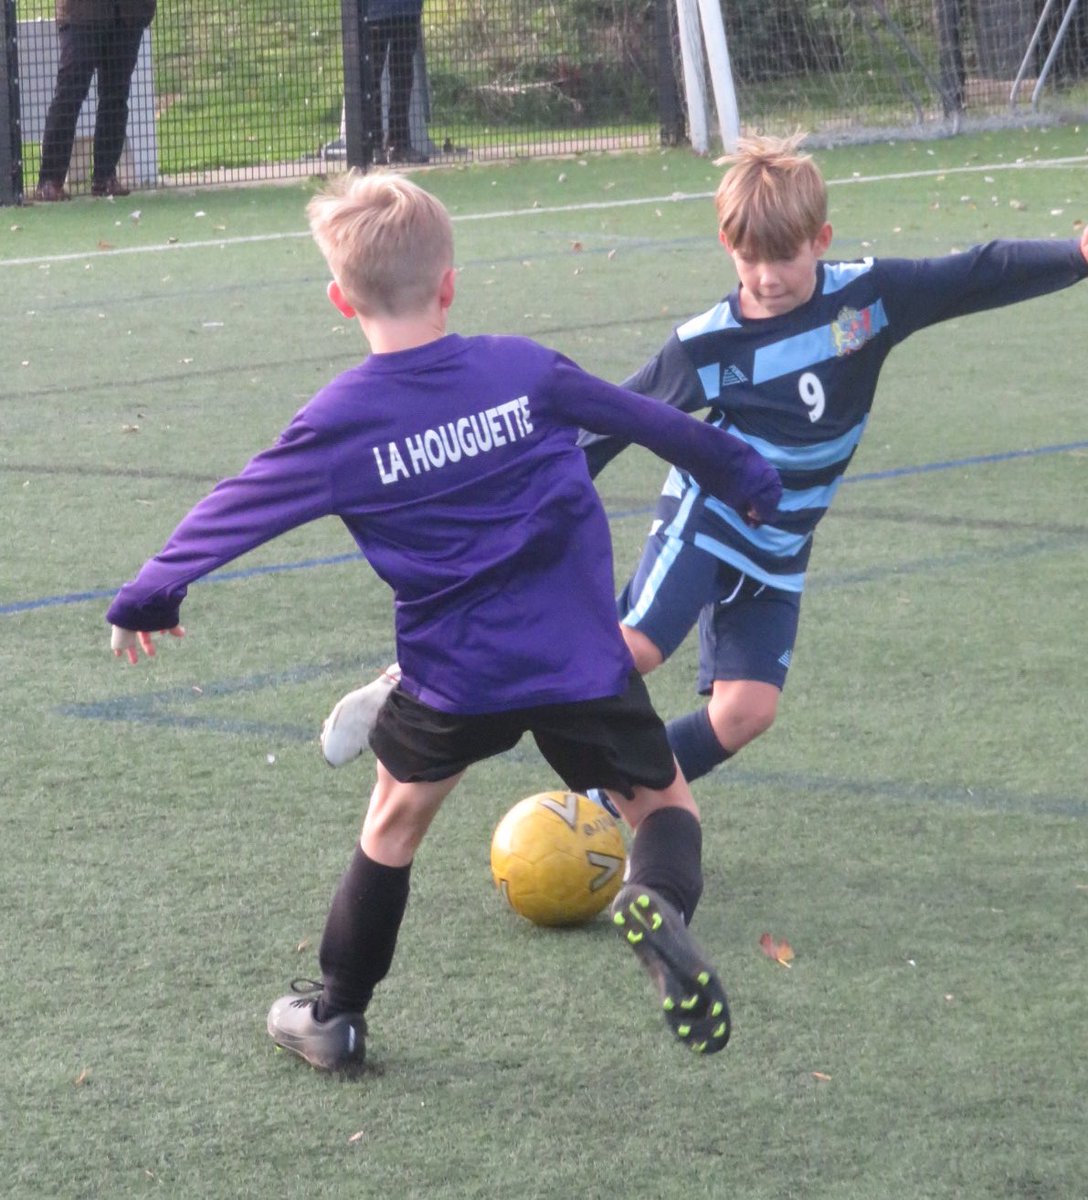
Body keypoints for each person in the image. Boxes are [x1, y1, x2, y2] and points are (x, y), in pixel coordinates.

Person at [105, 172, 782, 1070]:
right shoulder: (523, 368)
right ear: (450, 282)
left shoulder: (343, 420)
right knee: (663, 803)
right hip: (577, 656)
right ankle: (654, 900)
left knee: (393, 823)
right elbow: (651, 420)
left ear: (340, 299)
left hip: (455, 675)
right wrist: (747, 478)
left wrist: (151, 593)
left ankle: (337, 1016)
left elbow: (241, 503)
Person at [319, 133, 1088, 799]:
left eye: (783, 258)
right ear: (729, 248)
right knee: (630, 653)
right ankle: (414, 682)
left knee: (746, 712)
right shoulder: (709, 343)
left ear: (821, 239)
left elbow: (980, 270)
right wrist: (517, 512)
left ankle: (613, 799)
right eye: (749, 259)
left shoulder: (873, 300)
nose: (766, 278)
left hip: (783, 547)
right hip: (711, 521)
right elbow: (611, 421)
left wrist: (1078, 254)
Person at [33, 0, 157, 201]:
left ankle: (105, 177)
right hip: (82, 13)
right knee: (70, 93)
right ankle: (49, 180)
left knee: (116, 95)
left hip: (128, 14)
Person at [365, 0, 427, 165]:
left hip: (407, 11)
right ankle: (375, 145)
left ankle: (399, 143)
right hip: (373, 13)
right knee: (371, 78)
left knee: (403, 76)